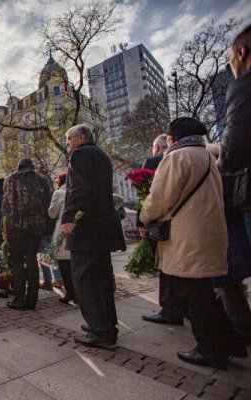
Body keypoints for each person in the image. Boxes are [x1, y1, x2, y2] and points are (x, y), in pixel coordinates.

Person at [141, 117, 247, 369]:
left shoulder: (176, 157)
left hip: (187, 234)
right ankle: (229, 342)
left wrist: (144, 217)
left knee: (194, 295)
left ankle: (210, 348)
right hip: (210, 231)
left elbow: (159, 198)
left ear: (173, 138)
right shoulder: (209, 157)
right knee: (203, 292)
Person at [61, 125, 125, 349]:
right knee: (103, 280)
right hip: (103, 229)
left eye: (68, 139)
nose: (67, 144)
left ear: (80, 138)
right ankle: (106, 325)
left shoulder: (80, 154)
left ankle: (100, 330)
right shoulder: (102, 155)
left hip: (87, 229)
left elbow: (78, 189)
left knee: (86, 280)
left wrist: (68, 217)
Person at [217, 24, 251, 344]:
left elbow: (232, 149)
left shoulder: (244, 85)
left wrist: (223, 163)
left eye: (230, 58)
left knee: (227, 271)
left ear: (241, 53)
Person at [139, 134, 187, 325]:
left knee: (165, 265)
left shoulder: (155, 161)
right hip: (185, 220)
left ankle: (170, 308)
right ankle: (185, 306)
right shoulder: (199, 157)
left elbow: (149, 195)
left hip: (160, 222)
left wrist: (142, 222)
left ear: (157, 148)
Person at [2, 157, 51, 311]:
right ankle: (32, 299)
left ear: (19, 167)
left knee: (17, 262)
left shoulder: (12, 179)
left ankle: (19, 299)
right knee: (32, 262)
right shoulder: (42, 181)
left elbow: (7, 207)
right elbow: (46, 206)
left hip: (17, 227)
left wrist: (4, 229)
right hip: (36, 228)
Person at [48, 171, 76, 304]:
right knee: (75, 265)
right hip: (76, 231)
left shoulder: (58, 193)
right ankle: (77, 293)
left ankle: (70, 292)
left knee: (64, 265)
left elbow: (52, 213)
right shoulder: (76, 191)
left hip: (63, 230)